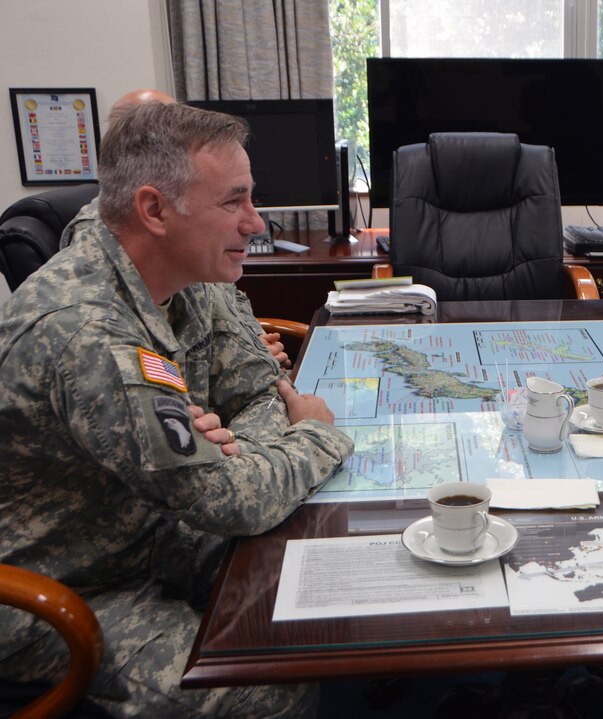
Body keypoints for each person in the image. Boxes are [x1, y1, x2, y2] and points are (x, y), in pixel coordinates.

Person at [0, 102, 354, 717]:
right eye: (233, 202)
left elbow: (254, 393)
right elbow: (231, 499)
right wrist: (316, 436)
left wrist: (232, 457)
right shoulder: (87, 334)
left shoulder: (174, 277)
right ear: (153, 210)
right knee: (269, 688)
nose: (255, 223)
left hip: (147, 529)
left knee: (319, 573)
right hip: (66, 588)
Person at [59, 88, 295, 368]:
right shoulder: (90, 312)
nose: (256, 224)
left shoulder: (187, 258)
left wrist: (252, 342)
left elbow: (232, 321)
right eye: (232, 201)